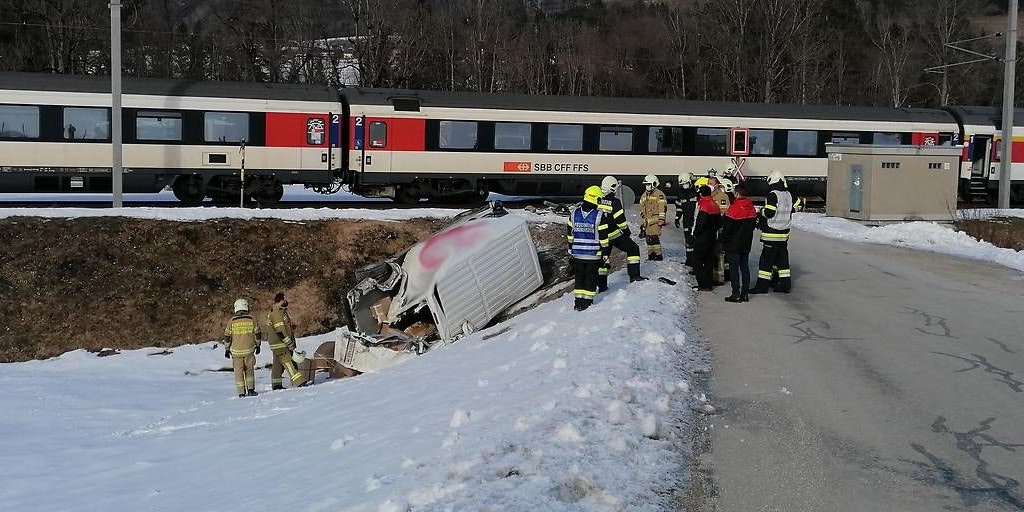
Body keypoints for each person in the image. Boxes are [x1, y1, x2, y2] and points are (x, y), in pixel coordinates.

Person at [567, 186, 612, 311]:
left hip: (577, 255)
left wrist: (570, 248)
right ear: (597, 199)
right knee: (590, 279)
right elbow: (603, 237)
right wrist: (605, 252)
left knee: (579, 279)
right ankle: (586, 303)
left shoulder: (574, 214)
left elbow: (570, 234)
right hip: (593, 255)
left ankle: (578, 303)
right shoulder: (599, 216)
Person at [597, 176, 645, 290]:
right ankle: (634, 276)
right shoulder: (615, 202)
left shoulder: (597, 199)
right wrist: (626, 231)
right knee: (633, 248)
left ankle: (602, 287)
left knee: (602, 260)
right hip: (614, 234)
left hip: (601, 237)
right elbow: (620, 221)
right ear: (613, 188)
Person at [750, 170, 794, 294]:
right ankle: (785, 285)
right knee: (782, 262)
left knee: (765, 262)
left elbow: (769, 213)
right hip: (784, 234)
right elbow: (795, 207)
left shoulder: (773, 195)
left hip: (772, 234)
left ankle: (762, 286)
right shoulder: (788, 194)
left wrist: (761, 211)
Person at [719, 183, 757, 302]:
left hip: (733, 244)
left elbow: (728, 229)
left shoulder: (734, 208)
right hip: (746, 243)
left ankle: (735, 293)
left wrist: (722, 241)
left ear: (737, 193)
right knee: (745, 268)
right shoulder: (752, 208)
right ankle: (745, 294)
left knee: (734, 269)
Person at [266, 292, 306, 390]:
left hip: (276, 344)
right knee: (288, 362)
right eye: (284, 299)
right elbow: (280, 331)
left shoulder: (277, 312)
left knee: (277, 366)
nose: (286, 301)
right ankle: (299, 382)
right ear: (280, 301)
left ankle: (276, 385)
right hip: (281, 344)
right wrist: (289, 343)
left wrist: (290, 327)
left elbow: (281, 327)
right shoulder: (277, 313)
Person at [223, 298, 262, 397]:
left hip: (236, 352)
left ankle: (241, 392)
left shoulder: (232, 321)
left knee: (238, 372)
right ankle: (251, 390)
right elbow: (257, 333)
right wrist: (258, 345)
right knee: (249, 370)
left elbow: (227, 336)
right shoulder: (252, 319)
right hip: (249, 350)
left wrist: (227, 349)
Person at [691, 185, 720, 291]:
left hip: (702, 238)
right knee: (709, 261)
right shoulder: (715, 205)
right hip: (712, 237)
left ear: (701, 194)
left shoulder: (702, 204)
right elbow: (718, 223)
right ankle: (708, 284)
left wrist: (695, 234)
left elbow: (700, 222)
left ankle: (702, 284)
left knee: (696, 261)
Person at [638, 174, 667, 260]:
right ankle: (651, 254)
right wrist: (643, 219)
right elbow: (641, 207)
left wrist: (661, 220)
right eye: (646, 184)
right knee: (648, 238)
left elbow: (662, 208)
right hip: (647, 221)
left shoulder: (659, 194)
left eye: (648, 184)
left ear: (654, 184)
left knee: (654, 237)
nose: (647, 186)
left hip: (655, 219)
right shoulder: (644, 195)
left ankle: (658, 255)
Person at [674, 172, 698, 267]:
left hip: (696, 221)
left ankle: (697, 260)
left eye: (686, 183)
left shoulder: (696, 192)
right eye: (682, 184)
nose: (684, 186)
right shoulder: (680, 194)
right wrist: (677, 218)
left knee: (696, 241)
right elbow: (679, 207)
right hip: (686, 221)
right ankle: (690, 260)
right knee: (688, 241)